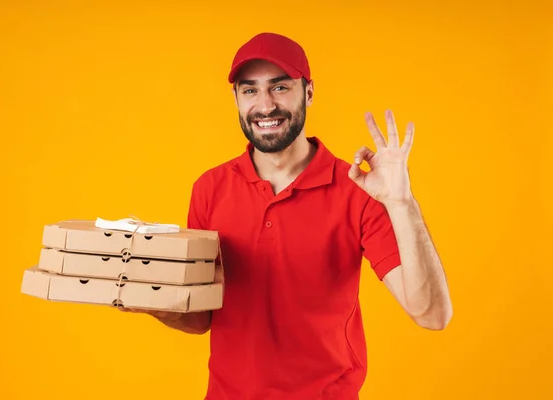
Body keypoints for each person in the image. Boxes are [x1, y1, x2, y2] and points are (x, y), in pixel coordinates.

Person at [124, 32, 453, 400]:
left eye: (280, 88)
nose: (265, 106)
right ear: (236, 98)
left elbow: (432, 315)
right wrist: (152, 301)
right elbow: (202, 318)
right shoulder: (209, 188)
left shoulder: (357, 190)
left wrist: (402, 202)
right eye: (250, 91)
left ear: (308, 92)